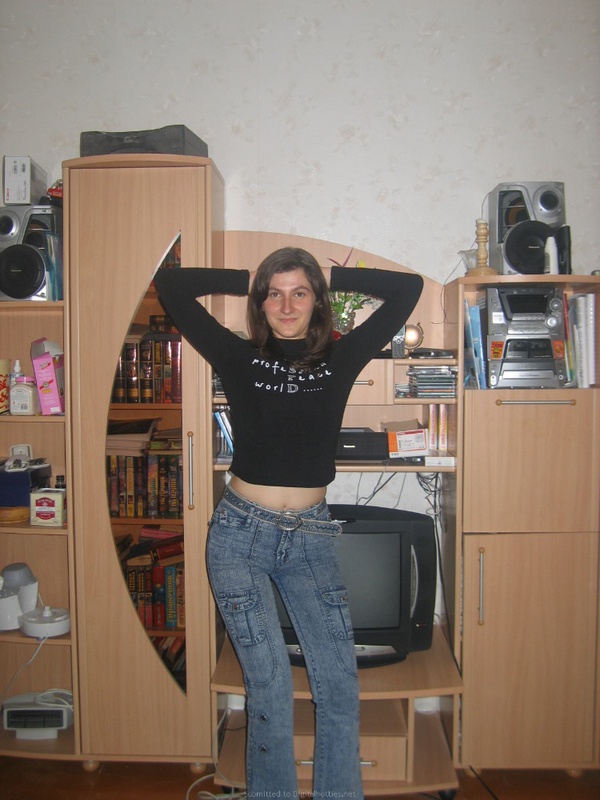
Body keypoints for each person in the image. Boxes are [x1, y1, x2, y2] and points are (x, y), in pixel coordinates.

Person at [154, 248, 423, 799]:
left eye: (299, 292)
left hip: (311, 538)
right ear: (260, 303)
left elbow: (409, 289)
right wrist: (245, 277)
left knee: (339, 686)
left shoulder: (342, 357)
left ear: (317, 300)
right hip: (239, 537)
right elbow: (171, 286)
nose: (286, 305)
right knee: (271, 689)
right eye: (273, 294)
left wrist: (330, 276)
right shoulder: (237, 355)